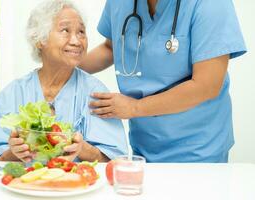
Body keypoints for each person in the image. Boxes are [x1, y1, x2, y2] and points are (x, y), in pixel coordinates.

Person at [80, 0, 247, 162]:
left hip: (199, 149)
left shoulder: (210, 4)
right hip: (144, 146)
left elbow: (207, 86)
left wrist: (134, 107)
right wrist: (62, 64)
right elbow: (111, 48)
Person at [0, 0, 128, 163]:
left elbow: (115, 160)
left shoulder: (96, 92)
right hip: (26, 186)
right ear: (39, 40)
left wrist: (82, 148)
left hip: (79, 186)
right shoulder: (13, 93)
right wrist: (13, 153)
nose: (77, 41)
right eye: (65, 30)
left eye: (81, 32)